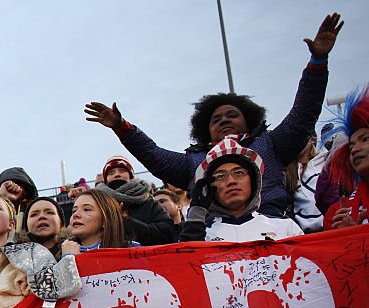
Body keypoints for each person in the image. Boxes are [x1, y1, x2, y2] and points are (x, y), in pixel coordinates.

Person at [84, 13, 343, 219]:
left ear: (248, 121)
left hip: (274, 236)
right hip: (216, 248)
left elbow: (303, 114)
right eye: (215, 119)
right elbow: (153, 155)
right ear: (205, 130)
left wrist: (317, 64)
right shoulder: (193, 161)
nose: (224, 120)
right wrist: (122, 127)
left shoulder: (272, 144)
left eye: (232, 115)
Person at [179, 137, 304, 242]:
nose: (231, 181)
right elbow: (185, 264)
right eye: (221, 176)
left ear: (254, 181)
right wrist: (196, 214)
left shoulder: (286, 228)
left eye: (238, 173)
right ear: (209, 188)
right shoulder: (202, 235)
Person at [93, 156, 176, 245]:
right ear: (106, 180)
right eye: (111, 172)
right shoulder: (97, 204)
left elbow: (167, 233)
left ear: (131, 176)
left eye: (122, 170)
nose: (117, 174)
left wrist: (125, 220)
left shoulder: (149, 203)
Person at [322, 85, 369, 230]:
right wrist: (347, 238)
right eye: (351, 146)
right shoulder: (337, 216)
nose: (355, 149)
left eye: (365, 139)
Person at [61, 191, 140, 254]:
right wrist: (68, 259)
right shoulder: (63, 252)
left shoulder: (133, 250)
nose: (75, 215)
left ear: (106, 219)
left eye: (87, 209)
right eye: (74, 211)